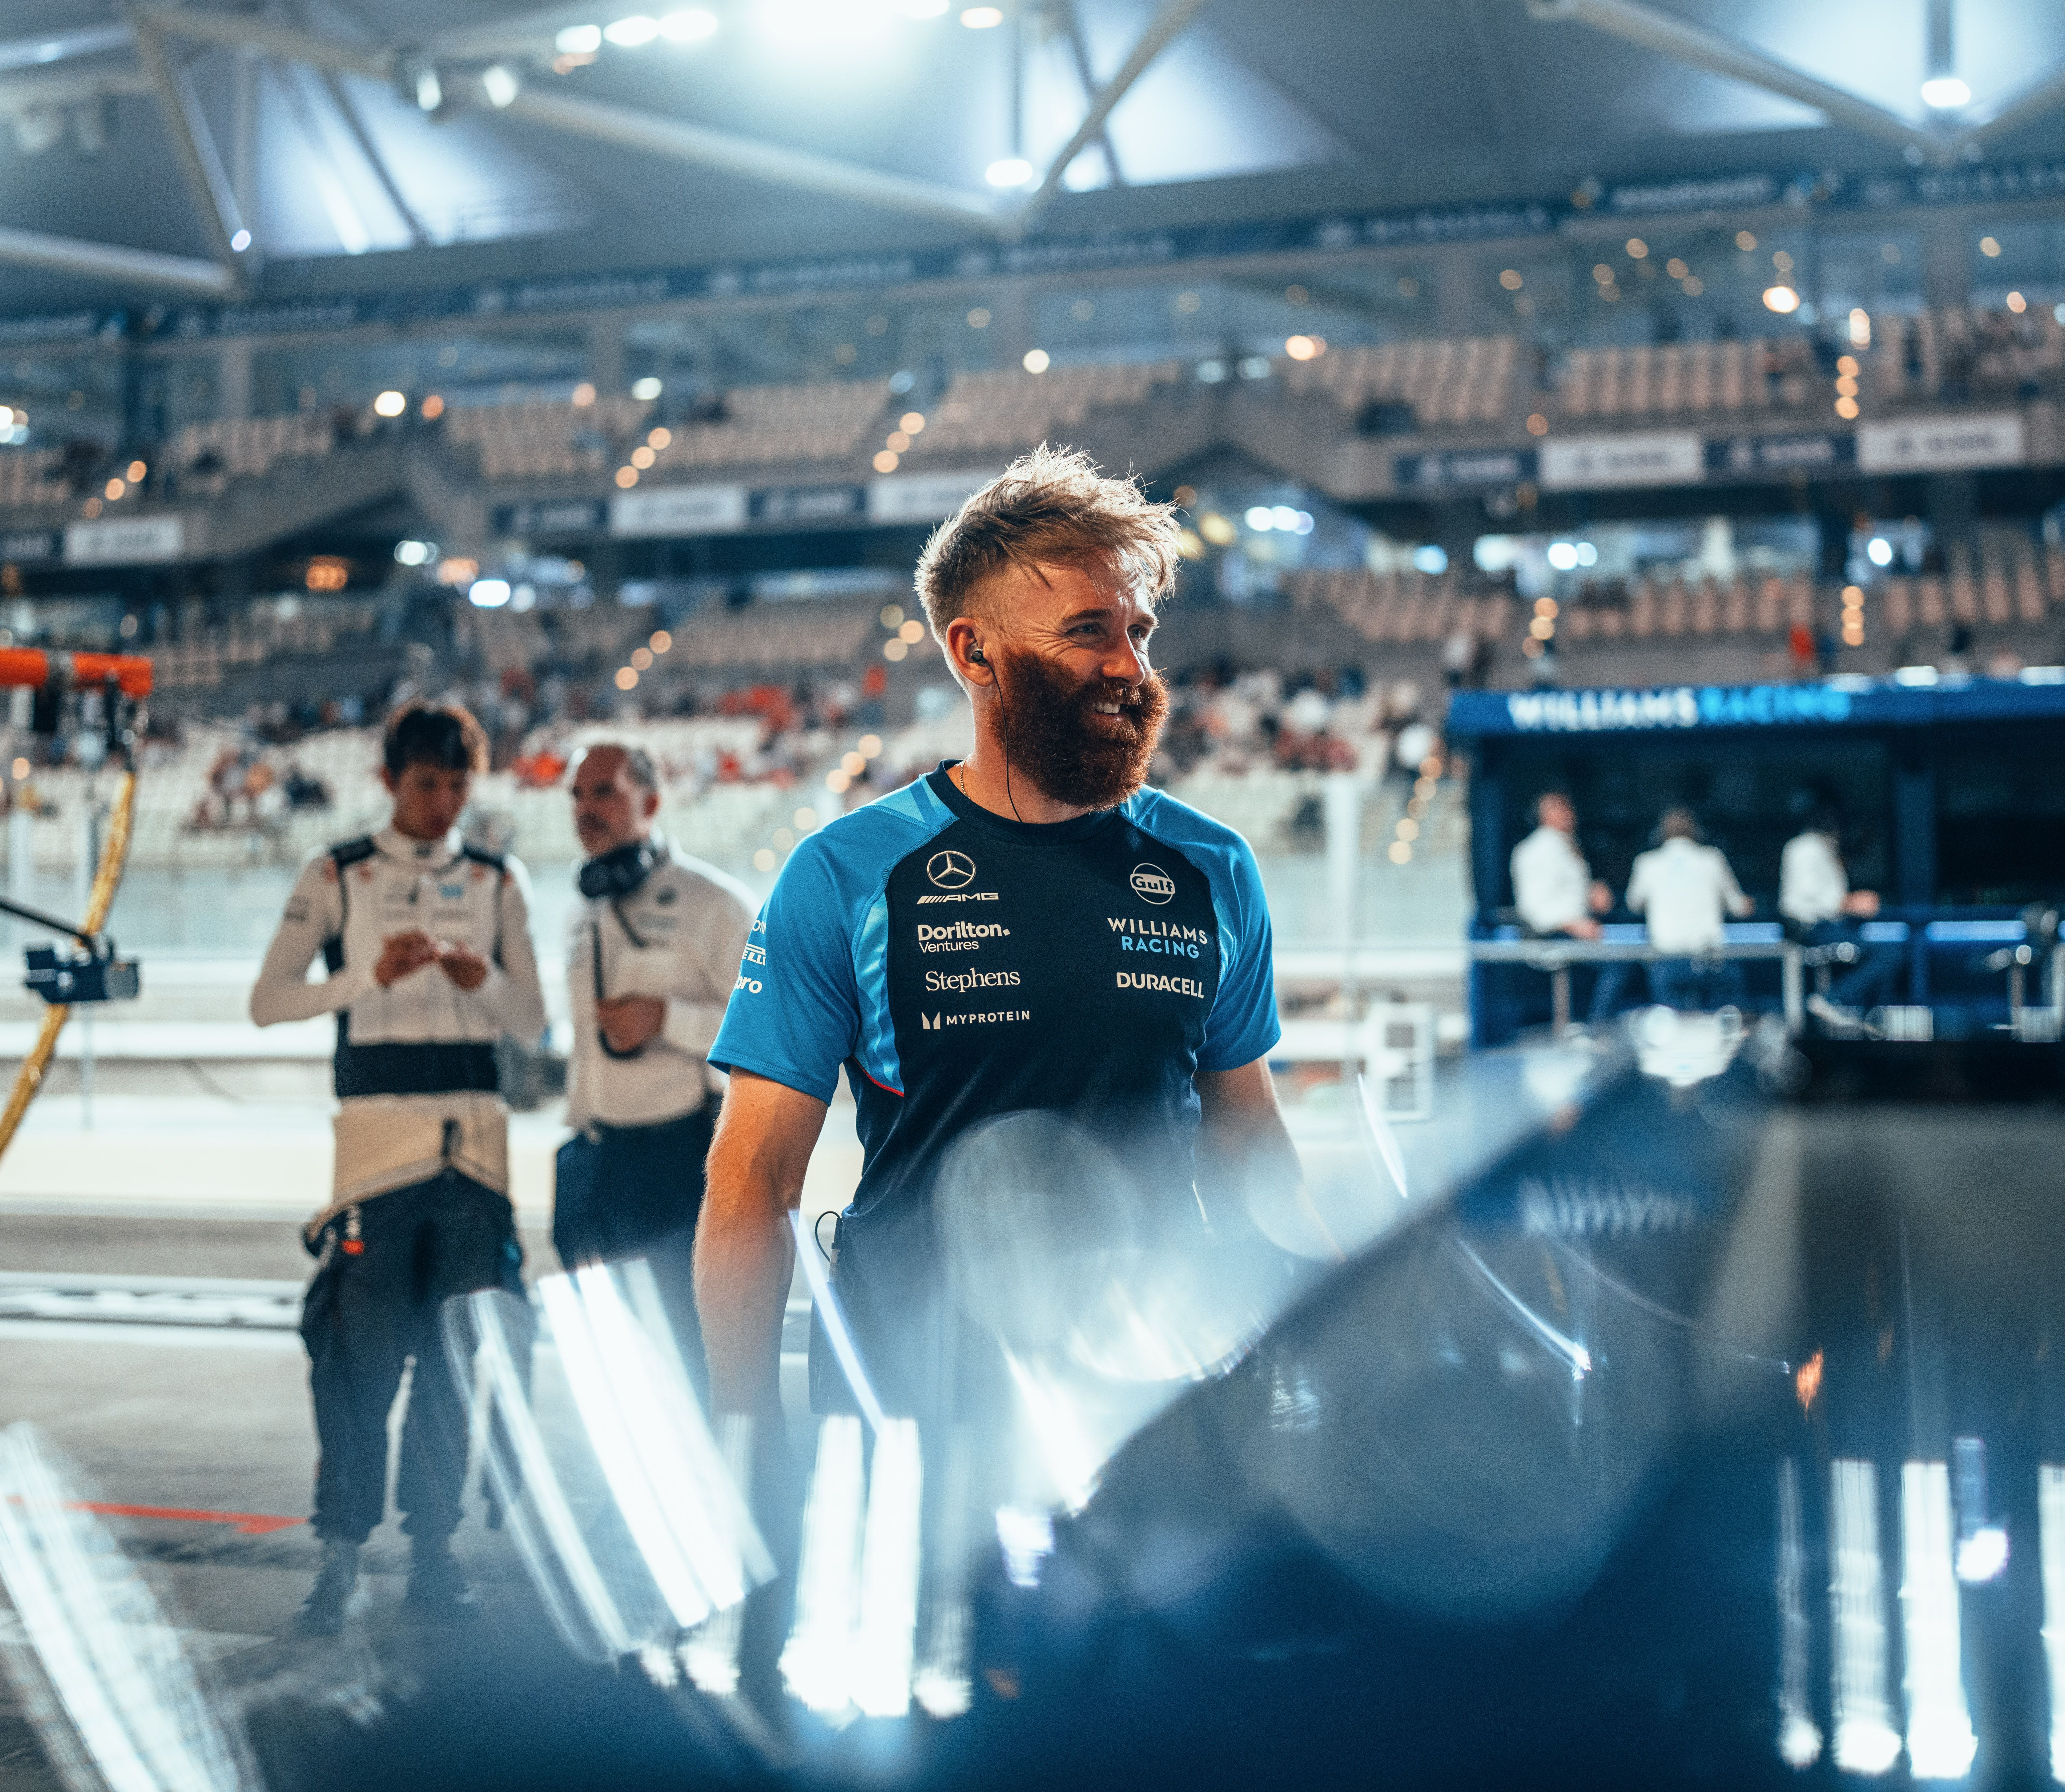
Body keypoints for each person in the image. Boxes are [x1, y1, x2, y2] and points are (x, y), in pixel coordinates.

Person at [696, 444, 1299, 1436]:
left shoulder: (1210, 866)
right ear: (973, 653)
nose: (1129, 667)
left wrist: (1303, 1362)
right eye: (1087, 631)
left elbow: (1249, 1144)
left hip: (1151, 1405)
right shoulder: (847, 872)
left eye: (1138, 632)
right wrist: (742, 1428)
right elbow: (753, 1180)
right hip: (911, 1407)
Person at [248, 700, 546, 1636]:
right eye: (426, 784)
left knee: (453, 1369)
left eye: (457, 784)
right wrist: (367, 979)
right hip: (375, 1159)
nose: (443, 802)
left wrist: (478, 979)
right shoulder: (336, 871)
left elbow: (533, 1022)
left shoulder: (498, 878)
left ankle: (433, 1554)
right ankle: (338, 1556)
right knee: (356, 1364)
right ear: (387, 780)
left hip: (476, 1160)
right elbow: (267, 1001)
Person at [555, 741, 755, 1396]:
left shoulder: (715, 904)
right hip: (589, 1164)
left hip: (674, 1162)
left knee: (684, 1364)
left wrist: (667, 1018)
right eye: (577, 795)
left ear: (652, 800)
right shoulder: (581, 910)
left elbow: (768, 1030)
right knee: (608, 1370)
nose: (585, 808)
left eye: (603, 792)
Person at [1625, 806, 1753, 1011]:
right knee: (1713, 1023)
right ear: (1696, 831)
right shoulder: (1712, 859)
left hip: (1666, 960)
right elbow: (1739, 908)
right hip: (1709, 962)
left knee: (1671, 1023)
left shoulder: (1647, 863)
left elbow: (1633, 904)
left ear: (1660, 833)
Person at [1509, 789, 1620, 1023]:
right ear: (1544, 814)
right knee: (1616, 964)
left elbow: (1565, 892)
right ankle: (1597, 1027)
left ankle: (1589, 1026)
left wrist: (1591, 894)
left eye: (1568, 809)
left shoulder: (1566, 846)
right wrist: (1574, 925)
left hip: (1572, 932)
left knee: (1619, 959)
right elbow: (1535, 908)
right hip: (1550, 936)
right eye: (1560, 809)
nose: (1568, 815)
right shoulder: (1536, 850)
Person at [1779, 809, 1896, 1019]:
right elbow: (1809, 895)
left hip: (1826, 929)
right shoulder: (1808, 848)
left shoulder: (1821, 849)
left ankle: (1863, 1016)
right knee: (1886, 955)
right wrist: (1850, 903)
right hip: (1811, 931)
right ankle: (1835, 1000)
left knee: (1875, 954)